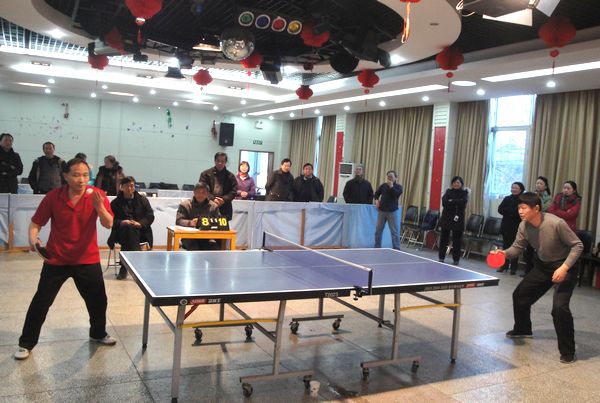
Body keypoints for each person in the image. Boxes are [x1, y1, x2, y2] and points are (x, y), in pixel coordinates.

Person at [14, 158, 116, 360]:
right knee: (41, 302)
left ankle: (97, 333)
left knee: (98, 301)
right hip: (56, 259)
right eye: (76, 175)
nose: (81, 180)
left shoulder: (98, 195)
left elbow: (108, 223)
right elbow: (36, 223)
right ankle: (26, 343)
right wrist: (33, 239)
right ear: (66, 176)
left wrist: (99, 207)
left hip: (87, 259)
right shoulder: (53, 197)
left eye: (85, 175)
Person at [495, 192, 583, 364]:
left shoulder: (556, 223)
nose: (520, 211)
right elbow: (517, 248)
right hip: (543, 266)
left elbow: (577, 245)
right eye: (519, 208)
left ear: (536, 208)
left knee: (559, 308)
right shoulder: (523, 226)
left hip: (565, 266)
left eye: (524, 208)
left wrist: (564, 268)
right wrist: (503, 253)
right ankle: (523, 329)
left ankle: (568, 351)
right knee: (520, 295)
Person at [108, 176, 154, 280]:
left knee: (130, 230)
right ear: (122, 187)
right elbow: (110, 220)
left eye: (132, 186)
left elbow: (150, 216)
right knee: (128, 228)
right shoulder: (115, 203)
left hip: (141, 232)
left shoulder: (143, 200)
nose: (130, 188)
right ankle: (135, 266)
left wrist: (140, 223)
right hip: (121, 233)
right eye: (127, 186)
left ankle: (124, 267)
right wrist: (122, 222)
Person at [176, 182, 221, 250]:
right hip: (189, 237)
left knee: (215, 247)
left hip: (207, 237)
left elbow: (219, 221)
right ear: (194, 192)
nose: (200, 195)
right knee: (194, 247)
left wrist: (211, 224)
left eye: (203, 192)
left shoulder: (214, 206)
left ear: (207, 194)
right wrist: (189, 223)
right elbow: (178, 220)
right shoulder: (185, 205)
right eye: (198, 192)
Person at [523, 176, 552, 277]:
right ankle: (527, 271)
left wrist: (538, 199)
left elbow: (543, 208)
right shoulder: (532, 195)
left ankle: (537, 272)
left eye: (540, 183)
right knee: (529, 249)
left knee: (539, 250)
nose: (538, 185)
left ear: (545, 186)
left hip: (542, 224)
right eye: (537, 183)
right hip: (531, 223)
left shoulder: (548, 198)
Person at [438, 176, 469, 265]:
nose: (456, 184)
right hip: (447, 218)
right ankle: (441, 257)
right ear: (452, 184)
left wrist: (451, 201)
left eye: (458, 182)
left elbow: (463, 203)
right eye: (454, 182)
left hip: (458, 219)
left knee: (457, 241)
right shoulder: (448, 192)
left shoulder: (464, 193)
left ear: (461, 184)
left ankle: (456, 260)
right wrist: (456, 202)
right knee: (444, 239)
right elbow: (444, 202)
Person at [199, 152, 237, 220]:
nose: (220, 163)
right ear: (215, 161)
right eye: (218, 161)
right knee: (206, 226)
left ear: (225, 162)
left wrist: (223, 199)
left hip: (225, 207)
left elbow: (234, 191)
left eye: (222, 161)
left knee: (223, 226)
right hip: (207, 205)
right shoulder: (205, 174)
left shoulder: (231, 176)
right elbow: (202, 189)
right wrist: (213, 199)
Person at [497, 182, 525, 274]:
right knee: (505, 247)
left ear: (521, 189)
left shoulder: (523, 200)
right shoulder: (507, 198)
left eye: (516, 188)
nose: (513, 189)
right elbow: (500, 209)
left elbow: (520, 213)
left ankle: (513, 268)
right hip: (506, 225)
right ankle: (504, 265)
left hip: (517, 226)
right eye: (512, 187)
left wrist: (509, 211)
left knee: (515, 248)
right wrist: (512, 211)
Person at [374, 170, 403, 250]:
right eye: (388, 176)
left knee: (394, 231)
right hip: (382, 211)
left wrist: (391, 187)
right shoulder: (383, 185)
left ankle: (396, 248)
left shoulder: (398, 187)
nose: (389, 178)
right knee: (378, 230)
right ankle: (377, 247)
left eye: (391, 176)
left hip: (392, 212)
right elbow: (376, 194)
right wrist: (376, 200)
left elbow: (396, 195)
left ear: (395, 177)